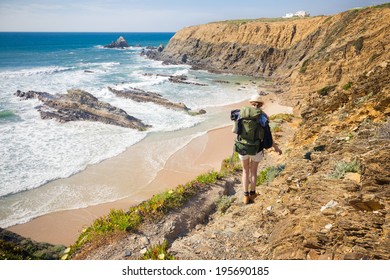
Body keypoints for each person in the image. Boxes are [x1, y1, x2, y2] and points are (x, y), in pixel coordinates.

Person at [238, 94, 282, 204]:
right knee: (253, 171)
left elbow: (235, 130)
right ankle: (253, 194)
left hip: (242, 147)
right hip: (256, 148)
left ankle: (245, 196)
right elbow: (268, 134)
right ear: (261, 105)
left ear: (251, 103)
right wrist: (275, 147)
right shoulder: (263, 116)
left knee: (245, 170)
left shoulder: (242, 113)